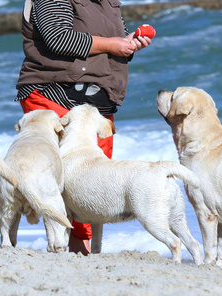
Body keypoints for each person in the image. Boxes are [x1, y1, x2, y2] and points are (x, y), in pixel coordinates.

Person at [14, 0, 152, 255]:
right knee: (58, 172)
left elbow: (111, 45)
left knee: (92, 176)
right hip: (53, 91)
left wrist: (129, 44)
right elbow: (59, 38)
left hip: (98, 98)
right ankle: (62, 241)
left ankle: (81, 243)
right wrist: (114, 44)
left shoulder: (109, 2)